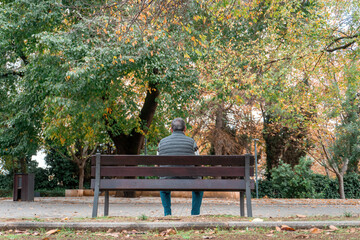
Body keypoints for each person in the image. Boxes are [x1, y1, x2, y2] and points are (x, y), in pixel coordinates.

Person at [157, 117, 203, 216]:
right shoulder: (192, 142)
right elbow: (198, 163)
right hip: (189, 179)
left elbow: (157, 164)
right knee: (199, 186)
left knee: (163, 183)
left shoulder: (162, 142)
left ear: (171, 129)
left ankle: (167, 214)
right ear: (185, 129)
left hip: (167, 179)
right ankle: (195, 214)